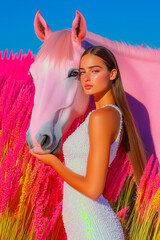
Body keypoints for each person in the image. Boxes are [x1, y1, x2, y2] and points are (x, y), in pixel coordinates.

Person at [30, 46, 147, 239]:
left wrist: (54, 163)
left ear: (112, 74)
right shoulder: (100, 116)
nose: (86, 78)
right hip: (83, 224)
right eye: (82, 72)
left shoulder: (102, 117)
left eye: (94, 71)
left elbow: (93, 189)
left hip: (92, 227)